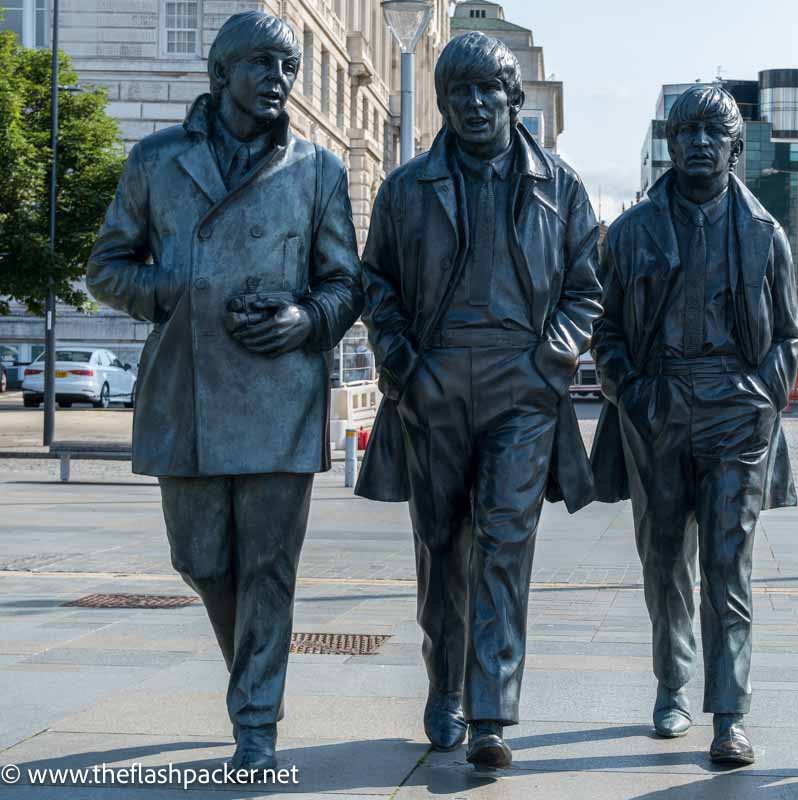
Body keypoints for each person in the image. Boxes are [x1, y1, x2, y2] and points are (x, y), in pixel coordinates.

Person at [87, 11, 362, 771]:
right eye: (263, 65)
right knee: (202, 560)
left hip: (281, 394)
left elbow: (347, 284)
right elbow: (106, 266)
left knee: (270, 569)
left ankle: (255, 724)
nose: (279, 81)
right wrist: (177, 286)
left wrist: (307, 319)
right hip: (188, 394)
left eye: (290, 68)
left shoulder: (319, 171)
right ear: (221, 75)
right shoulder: (157, 160)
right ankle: (251, 677)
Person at [353, 31, 602, 770]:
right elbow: (378, 288)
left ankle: (491, 709)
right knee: (442, 547)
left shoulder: (561, 185)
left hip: (520, 388)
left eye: (487, 91)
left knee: (504, 543)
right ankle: (445, 686)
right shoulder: (405, 190)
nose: (473, 105)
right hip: (432, 385)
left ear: (512, 98)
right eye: (457, 94)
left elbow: (587, 290)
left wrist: (548, 359)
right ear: (443, 105)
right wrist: (405, 367)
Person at [590, 85, 798, 766]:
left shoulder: (765, 235)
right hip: (660, 409)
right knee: (663, 563)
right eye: (687, 133)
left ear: (736, 148)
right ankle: (671, 682)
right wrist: (637, 394)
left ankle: (730, 713)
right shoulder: (629, 234)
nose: (700, 145)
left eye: (715, 133)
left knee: (726, 564)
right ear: (669, 143)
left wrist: (760, 397)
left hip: (736, 415)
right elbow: (605, 330)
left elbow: (791, 340)